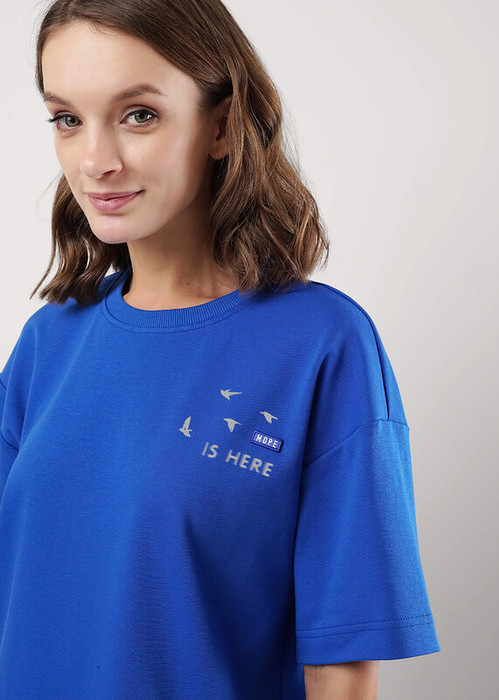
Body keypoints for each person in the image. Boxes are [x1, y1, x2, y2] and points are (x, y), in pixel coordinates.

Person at [0, 0, 440, 698]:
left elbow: (343, 660)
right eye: (68, 119)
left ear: (223, 125)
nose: (95, 161)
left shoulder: (321, 346)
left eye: (138, 114)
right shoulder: (47, 342)